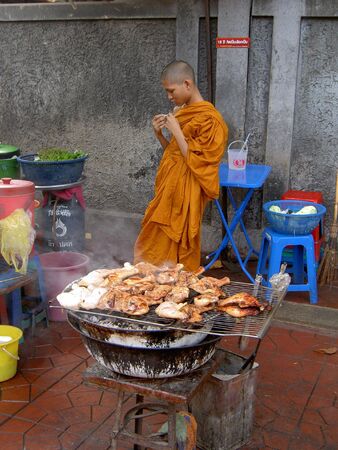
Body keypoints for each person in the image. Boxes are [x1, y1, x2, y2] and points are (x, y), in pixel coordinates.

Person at [134, 60, 228, 271]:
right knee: (153, 237)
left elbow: (201, 163)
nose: (169, 96)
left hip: (187, 193)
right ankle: (152, 288)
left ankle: (175, 292)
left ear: (187, 84)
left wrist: (176, 130)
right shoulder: (182, 112)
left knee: (179, 248)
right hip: (169, 190)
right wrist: (159, 134)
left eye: (171, 90)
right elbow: (175, 153)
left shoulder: (211, 121)